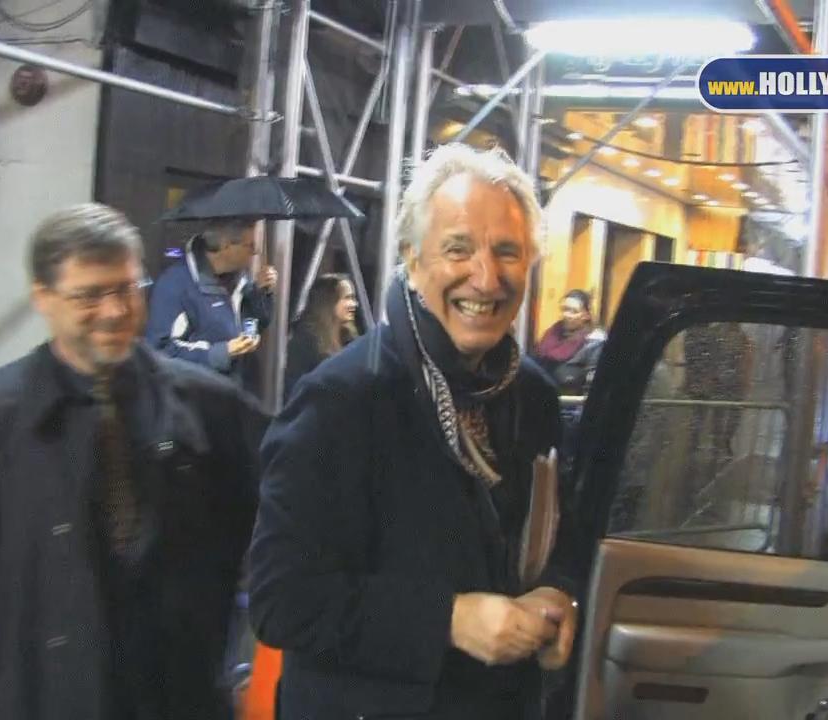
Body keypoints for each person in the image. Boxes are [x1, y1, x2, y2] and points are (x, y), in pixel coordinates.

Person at [0, 204, 265, 720]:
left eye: (127, 289)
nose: (114, 311)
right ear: (43, 297)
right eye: (89, 295)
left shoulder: (211, 409)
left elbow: (272, 540)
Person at [248, 144, 579, 720]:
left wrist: (557, 591)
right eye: (458, 249)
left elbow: (558, 538)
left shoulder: (534, 396)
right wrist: (448, 619)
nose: (486, 277)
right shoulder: (342, 400)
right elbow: (283, 600)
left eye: (507, 251)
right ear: (412, 257)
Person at [144, 217, 279, 382]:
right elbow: (159, 352)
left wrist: (262, 292)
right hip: (196, 392)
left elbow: (255, 322)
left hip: (234, 387)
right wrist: (221, 353)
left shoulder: (239, 278)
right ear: (226, 245)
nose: (255, 252)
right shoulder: (175, 286)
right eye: (250, 246)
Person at [283, 273, 360, 396]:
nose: (354, 304)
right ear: (328, 301)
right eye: (347, 298)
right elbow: (295, 388)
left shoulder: (350, 339)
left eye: (353, 298)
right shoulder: (304, 341)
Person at [533, 289, 607, 396]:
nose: (566, 315)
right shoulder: (551, 334)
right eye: (564, 309)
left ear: (586, 315)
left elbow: (593, 385)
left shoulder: (594, 342)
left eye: (573, 311)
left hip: (572, 404)